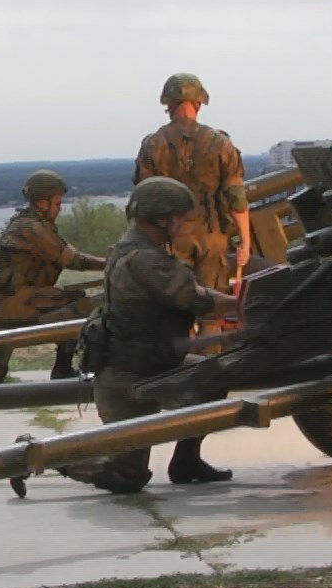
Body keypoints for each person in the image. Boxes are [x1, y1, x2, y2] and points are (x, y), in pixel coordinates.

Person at [66, 176, 239, 494]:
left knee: (214, 375)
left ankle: (186, 462)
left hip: (150, 365)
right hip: (129, 380)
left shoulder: (129, 248)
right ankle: (46, 455)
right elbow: (197, 300)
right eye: (178, 217)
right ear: (161, 218)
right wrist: (244, 305)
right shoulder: (147, 260)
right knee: (127, 477)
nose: (182, 225)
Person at [0, 170, 105, 385]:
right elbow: (74, 260)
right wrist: (112, 263)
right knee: (83, 305)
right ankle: (63, 368)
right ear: (41, 202)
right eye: (56, 203)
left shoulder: (30, 222)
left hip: (1, 304)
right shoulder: (30, 227)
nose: (59, 208)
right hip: (9, 303)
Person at [134, 73, 252, 302]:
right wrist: (245, 243)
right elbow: (237, 198)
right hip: (211, 237)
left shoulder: (153, 145)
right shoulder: (220, 143)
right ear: (199, 103)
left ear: (168, 105)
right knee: (212, 308)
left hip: (169, 237)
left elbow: (143, 203)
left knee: (175, 311)